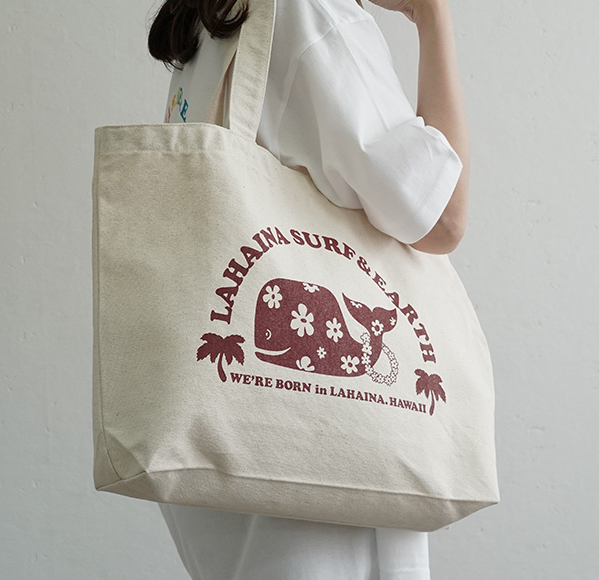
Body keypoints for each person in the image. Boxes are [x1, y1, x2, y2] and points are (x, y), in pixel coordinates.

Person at [147, 0, 469, 577]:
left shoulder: (209, 21)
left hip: (231, 449)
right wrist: (433, 16)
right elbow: (442, 218)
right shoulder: (311, 15)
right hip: (323, 465)